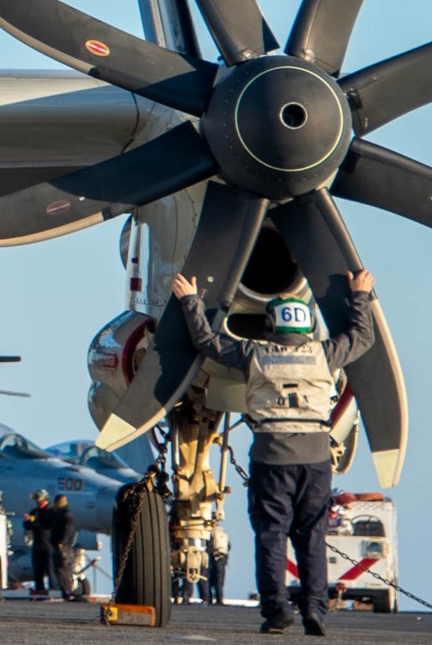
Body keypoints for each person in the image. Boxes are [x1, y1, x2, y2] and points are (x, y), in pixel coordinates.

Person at [173, 268, 377, 636]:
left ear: (271, 325)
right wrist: (359, 294)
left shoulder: (256, 354)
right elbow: (362, 338)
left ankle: (276, 610)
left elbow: (207, 342)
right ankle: (315, 609)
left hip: (271, 455)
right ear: (306, 326)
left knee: (271, 534)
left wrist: (190, 300)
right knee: (311, 536)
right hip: (315, 458)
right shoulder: (324, 354)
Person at [47, 494, 80, 600]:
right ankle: (64, 589)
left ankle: (67, 590)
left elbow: (68, 530)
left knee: (62, 568)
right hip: (60, 545)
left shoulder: (66, 515)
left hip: (63, 547)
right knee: (59, 569)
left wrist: (62, 542)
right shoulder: (59, 513)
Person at [25, 489, 53, 595]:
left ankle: (53, 590)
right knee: (38, 569)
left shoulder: (51, 512)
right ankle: (40, 589)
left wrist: (35, 523)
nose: (37, 501)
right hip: (37, 544)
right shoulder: (34, 512)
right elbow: (29, 527)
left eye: (39, 499)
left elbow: (47, 526)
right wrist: (28, 521)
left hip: (49, 545)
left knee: (51, 569)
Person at [207, 522, 231, 605]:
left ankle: (209, 598)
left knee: (209, 578)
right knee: (220, 579)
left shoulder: (210, 531)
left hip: (213, 556)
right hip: (223, 556)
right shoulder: (223, 531)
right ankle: (219, 599)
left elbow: (208, 545)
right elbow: (229, 546)